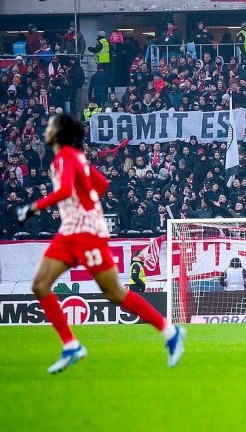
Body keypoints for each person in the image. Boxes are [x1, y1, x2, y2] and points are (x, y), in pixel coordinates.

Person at [14, 114, 186, 373]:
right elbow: (101, 184)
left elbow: (65, 191)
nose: (47, 128)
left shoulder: (66, 158)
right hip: (69, 231)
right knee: (40, 285)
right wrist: (88, 201)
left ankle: (170, 331)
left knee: (115, 293)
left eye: (51, 126)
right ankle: (71, 345)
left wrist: (34, 207)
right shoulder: (74, 158)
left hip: (86, 233)